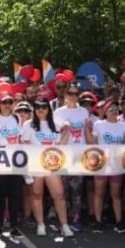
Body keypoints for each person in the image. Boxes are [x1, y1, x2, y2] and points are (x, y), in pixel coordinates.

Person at [28, 97, 73, 237]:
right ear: (34, 110)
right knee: (36, 194)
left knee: (59, 194)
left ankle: (64, 225)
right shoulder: (28, 125)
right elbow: (23, 144)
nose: (41, 110)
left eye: (44, 107)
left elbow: (60, 145)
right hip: (35, 164)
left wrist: (67, 132)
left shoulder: (56, 124)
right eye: (37, 107)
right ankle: (40, 224)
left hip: (52, 165)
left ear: (49, 109)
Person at [0, 93, 27, 237]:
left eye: (10, 102)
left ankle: (14, 227)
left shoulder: (16, 118)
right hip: (0, 163)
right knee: (1, 197)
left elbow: (19, 139)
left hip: (15, 163)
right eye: (4, 102)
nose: (7, 105)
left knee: (15, 196)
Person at [54, 84, 91, 231]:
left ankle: (76, 218)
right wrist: (63, 127)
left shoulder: (83, 112)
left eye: (76, 94)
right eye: (70, 93)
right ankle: (63, 220)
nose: (73, 96)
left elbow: (87, 133)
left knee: (77, 189)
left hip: (79, 155)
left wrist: (89, 127)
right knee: (62, 190)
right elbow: (56, 131)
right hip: (63, 155)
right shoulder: (58, 112)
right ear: (65, 95)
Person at [88, 103, 125, 233]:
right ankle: (98, 220)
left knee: (116, 194)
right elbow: (92, 142)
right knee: (99, 193)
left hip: (116, 165)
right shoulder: (99, 124)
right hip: (101, 163)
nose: (114, 112)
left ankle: (119, 221)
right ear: (105, 111)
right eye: (111, 109)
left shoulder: (123, 126)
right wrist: (86, 130)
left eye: (116, 109)